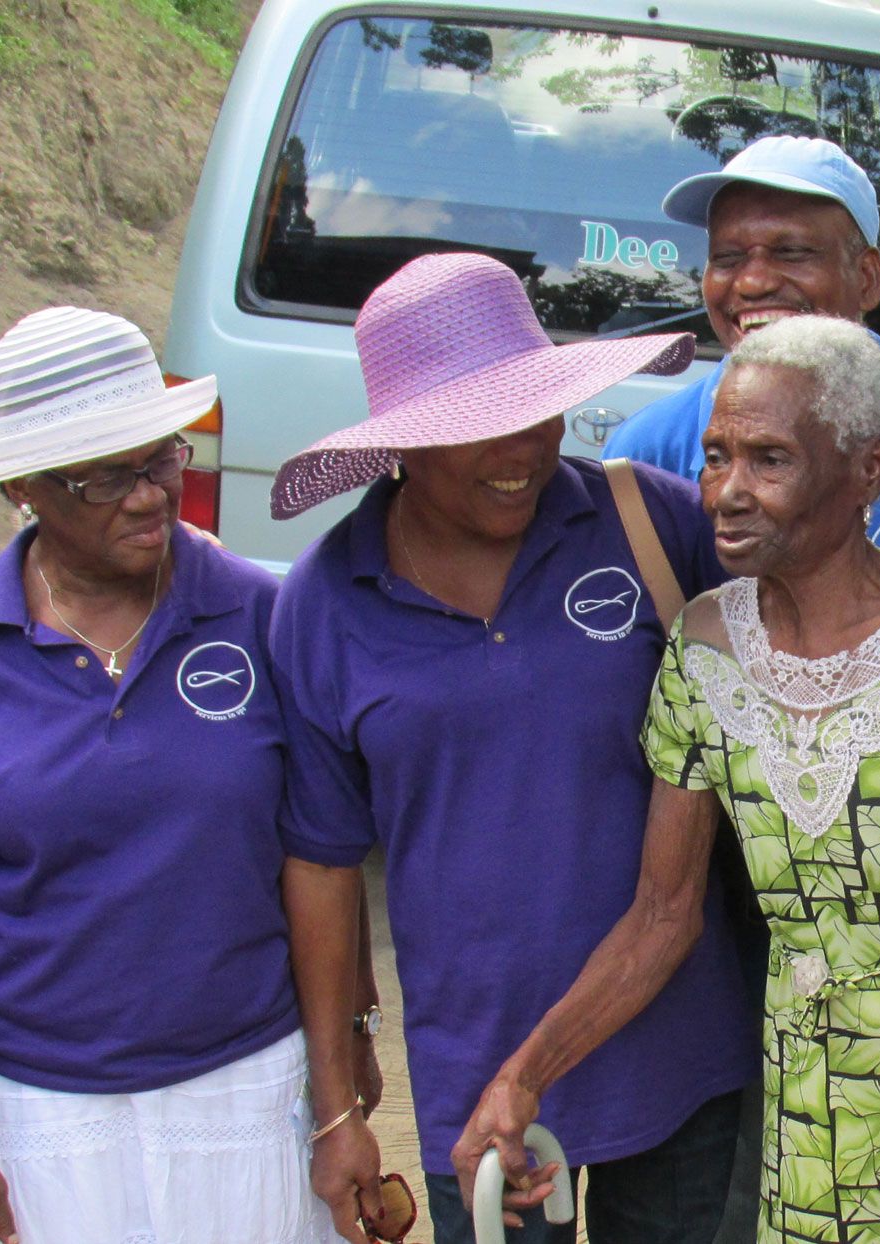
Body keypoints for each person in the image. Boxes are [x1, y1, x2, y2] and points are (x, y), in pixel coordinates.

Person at [457, 314, 880, 1244]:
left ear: (869, 471)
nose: (726, 493)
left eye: (770, 460)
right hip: (808, 1119)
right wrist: (525, 1076)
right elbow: (662, 917)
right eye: (716, 457)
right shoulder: (703, 649)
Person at [0, 307, 410, 1244]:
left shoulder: (260, 618)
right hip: (39, 1113)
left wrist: (338, 1089)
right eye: (106, 476)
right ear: (23, 489)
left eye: (161, 458)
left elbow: (319, 862)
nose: (151, 495)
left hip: (248, 1082)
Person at [268, 252, 756, 1244]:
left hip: (681, 1053)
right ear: (401, 443)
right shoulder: (326, 605)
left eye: (538, 410)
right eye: (475, 426)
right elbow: (321, 865)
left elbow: (803, 664)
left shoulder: (648, 524)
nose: (523, 449)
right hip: (481, 1082)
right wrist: (335, 1106)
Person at [602, 135, 880, 659]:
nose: (751, 282)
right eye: (727, 257)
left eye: (792, 252)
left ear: (866, 278)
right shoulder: (647, 449)